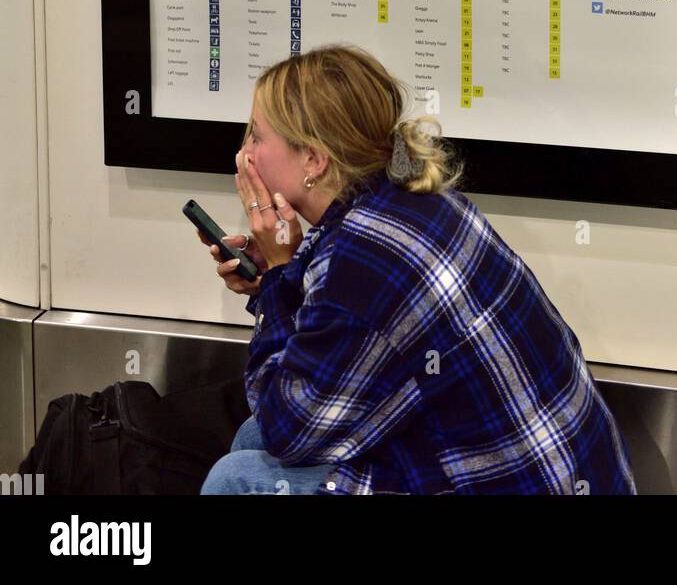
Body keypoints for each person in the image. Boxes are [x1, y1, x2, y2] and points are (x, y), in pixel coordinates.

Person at [198, 44, 637, 496]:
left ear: (313, 159)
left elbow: (285, 429)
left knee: (235, 481)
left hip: (519, 481)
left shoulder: (359, 260)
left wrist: (275, 279)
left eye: (255, 136)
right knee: (251, 438)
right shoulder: (411, 199)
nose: (244, 154)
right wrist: (277, 272)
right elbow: (334, 351)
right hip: (570, 474)